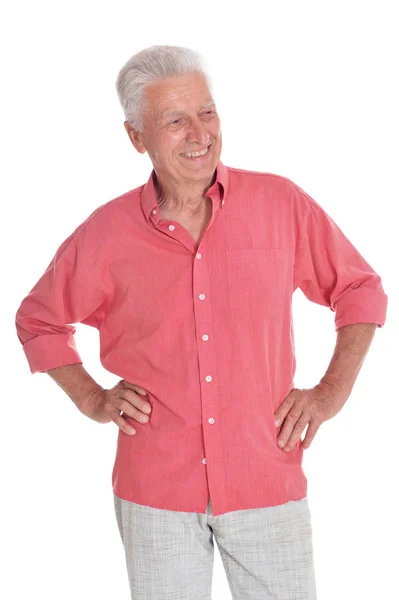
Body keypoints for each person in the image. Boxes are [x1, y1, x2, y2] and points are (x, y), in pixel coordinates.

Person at [15, 45, 388, 599]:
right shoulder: (107, 232)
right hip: (156, 492)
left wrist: (331, 391)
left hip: (267, 477)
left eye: (207, 113)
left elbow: (360, 289)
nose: (199, 133)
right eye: (174, 120)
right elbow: (38, 319)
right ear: (136, 138)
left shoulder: (279, 205)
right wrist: (92, 398)